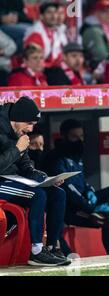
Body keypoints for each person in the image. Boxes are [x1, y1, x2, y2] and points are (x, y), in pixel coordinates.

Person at [0, 96, 70, 266]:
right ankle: (36, 251)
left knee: (57, 194)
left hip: (13, 180)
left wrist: (45, 179)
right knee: (37, 195)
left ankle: (52, 247)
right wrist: (17, 149)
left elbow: (26, 168)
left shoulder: (20, 133)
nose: (31, 129)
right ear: (16, 119)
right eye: (29, 123)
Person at [43, 119, 109, 255]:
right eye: (74, 137)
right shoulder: (56, 158)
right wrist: (90, 207)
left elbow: (82, 182)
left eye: (81, 136)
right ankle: (69, 258)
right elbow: (69, 189)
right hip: (70, 207)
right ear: (63, 137)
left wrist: (89, 191)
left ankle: (106, 211)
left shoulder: (77, 156)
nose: (79, 140)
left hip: (84, 200)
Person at [23, 2, 67, 68]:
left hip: (54, 67)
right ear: (41, 16)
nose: (53, 16)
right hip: (42, 69)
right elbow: (34, 63)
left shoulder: (58, 31)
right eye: (49, 13)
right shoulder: (35, 34)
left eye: (55, 12)